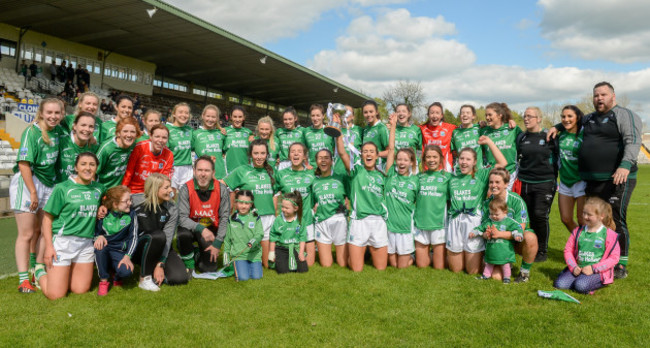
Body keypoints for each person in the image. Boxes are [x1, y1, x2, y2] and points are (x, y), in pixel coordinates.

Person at [548, 82, 641, 279]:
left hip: (617, 177)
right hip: (591, 180)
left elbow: (632, 140)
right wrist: (556, 126)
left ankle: (620, 265)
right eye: (596, 95)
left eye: (603, 95)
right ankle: (599, 259)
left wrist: (625, 165)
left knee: (615, 219)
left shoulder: (624, 114)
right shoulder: (589, 118)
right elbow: (571, 122)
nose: (599, 98)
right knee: (594, 221)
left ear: (613, 96)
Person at [10, 98, 65, 293]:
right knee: (26, 233)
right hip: (28, 182)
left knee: (43, 230)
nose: (53, 116)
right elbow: (24, 164)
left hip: (49, 183)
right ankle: (23, 279)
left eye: (57, 113)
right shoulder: (31, 132)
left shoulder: (59, 131)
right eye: (49, 112)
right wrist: (33, 191)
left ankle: (36, 268)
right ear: (41, 113)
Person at [36, 152, 104, 300]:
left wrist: (102, 208)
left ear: (96, 168)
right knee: (56, 295)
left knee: (80, 290)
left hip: (85, 244)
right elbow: (47, 219)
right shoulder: (63, 188)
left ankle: (63, 275)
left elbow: (105, 205)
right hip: (63, 242)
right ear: (76, 167)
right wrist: (48, 247)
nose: (88, 168)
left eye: (92, 165)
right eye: (83, 164)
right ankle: (39, 272)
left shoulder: (99, 189)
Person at [336, 112, 392, 272]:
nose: (368, 154)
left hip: (378, 222)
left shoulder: (383, 174)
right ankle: (355, 252)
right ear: (361, 154)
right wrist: (338, 130)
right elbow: (342, 153)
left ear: (376, 155)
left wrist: (392, 128)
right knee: (355, 268)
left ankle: (365, 250)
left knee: (381, 268)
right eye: (365, 151)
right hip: (358, 221)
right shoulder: (355, 171)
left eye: (371, 151)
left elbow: (391, 150)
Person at [447, 138, 506, 274]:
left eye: (468, 159)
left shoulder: (481, 175)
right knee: (455, 270)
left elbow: (502, 163)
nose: (463, 162)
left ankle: (488, 260)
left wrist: (489, 142)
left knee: (472, 271)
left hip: (473, 221)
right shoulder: (452, 178)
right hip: (455, 220)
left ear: (474, 162)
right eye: (461, 159)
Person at [223, 139, 276, 268]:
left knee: (268, 264)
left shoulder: (272, 171)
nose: (259, 157)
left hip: (269, 218)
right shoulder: (242, 170)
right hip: (251, 219)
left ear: (267, 154)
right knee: (246, 260)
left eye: (262, 153)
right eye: (256, 153)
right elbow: (223, 184)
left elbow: (277, 193)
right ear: (250, 154)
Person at [516, 107, 558, 262]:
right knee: (526, 217)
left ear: (539, 118)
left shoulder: (549, 136)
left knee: (540, 215)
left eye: (530, 116)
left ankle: (542, 251)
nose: (526, 119)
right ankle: (528, 247)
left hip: (544, 182)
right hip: (525, 182)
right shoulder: (521, 137)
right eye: (525, 116)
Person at [132, 173, 188, 291]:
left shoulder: (172, 208)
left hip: (161, 246)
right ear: (154, 189)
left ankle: (153, 268)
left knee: (179, 278)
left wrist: (160, 264)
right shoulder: (134, 200)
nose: (170, 190)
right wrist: (104, 208)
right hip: (137, 248)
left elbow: (168, 238)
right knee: (157, 235)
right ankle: (144, 279)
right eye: (166, 188)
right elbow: (114, 204)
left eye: (170, 186)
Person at [554, 197, 620, 294]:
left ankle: (599, 282)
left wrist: (593, 268)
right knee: (559, 284)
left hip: (597, 272)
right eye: (584, 213)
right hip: (578, 268)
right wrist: (573, 267)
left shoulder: (609, 235)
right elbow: (568, 250)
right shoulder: (578, 231)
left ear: (601, 216)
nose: (585, 217)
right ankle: (578, 280)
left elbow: (614, 258)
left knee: (581, 286)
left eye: (589, 214)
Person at [483, 167, 538, 283]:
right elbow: (484, 227)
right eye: (491, 182)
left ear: (506, 184)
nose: (494, 185)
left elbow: (521, 229)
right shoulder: (487, 203)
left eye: (498, 182)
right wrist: (487, 234)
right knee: (496, 277)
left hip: (516, 239)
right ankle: (507, 263)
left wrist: (499, 234)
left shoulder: (517, 200)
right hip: (496, 244)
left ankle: (524, 273)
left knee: (530, 237)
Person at [176, 156, 230, 274]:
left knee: (209, 268)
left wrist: (218, 242)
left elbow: (225, 218)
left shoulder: (222, 189)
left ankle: (196, 253)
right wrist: (201, 228)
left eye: (207, 170)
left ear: (213, 173)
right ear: (194, 171)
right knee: (183, 233)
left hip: (211, 231)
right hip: (191, 229)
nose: (203, 174)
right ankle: (188, 263)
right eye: (200, 170)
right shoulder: (186, 188)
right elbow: (182, 218)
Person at [384, 113, 418, 268]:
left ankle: (414, 256)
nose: (401, 162)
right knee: (392, 264)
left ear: (411, 162)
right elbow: (391, 149)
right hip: (389, 227)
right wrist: (393, 127)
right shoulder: (390, 173)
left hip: (405, 227)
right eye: (399, 159)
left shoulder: (415, 180)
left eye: (405, 160)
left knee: (401, 267)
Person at [273, 142, 316, 265]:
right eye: (293, 151)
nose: (296, 154)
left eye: (299, 151)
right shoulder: (281, 174)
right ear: (289, 155)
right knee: (286, 262)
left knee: (309, 263)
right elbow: (274, 195)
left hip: (306, 220)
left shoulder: (311, 174)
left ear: (304, 156)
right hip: (287, 222)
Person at [94, 185, 138, 296]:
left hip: (119, 251)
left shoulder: (132, 214)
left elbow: (134, 237)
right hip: (105, 248)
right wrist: (98, 236)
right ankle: (103, 281)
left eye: (130, 200)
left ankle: (117, 275)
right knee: (100, 248)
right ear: (115, 204)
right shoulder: (103, 213)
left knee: (126, 271)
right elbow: (93, 232)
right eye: (126, 201)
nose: (130, 203)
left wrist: (128, 256)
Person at [414, 145, 451, 269]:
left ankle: (446, 255)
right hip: (420, 223)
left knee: (439, 267)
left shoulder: (448, 177)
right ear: (424, 160)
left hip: (438, 225)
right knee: (421, 265)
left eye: (435, 157)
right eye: (428, 157)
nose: (431, 160)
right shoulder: (418, 177)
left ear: (440, 159)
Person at [472, 198, 523, 284]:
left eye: (496, 214)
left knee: (505, 264)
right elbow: (480, 228)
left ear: (505, 212)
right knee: (489, 263)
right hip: (492, 250)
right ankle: (485, 275)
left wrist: (517, 235)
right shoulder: (489, 221)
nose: (494, 216)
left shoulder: (508, 221)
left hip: (504, 251)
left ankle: (507, 278)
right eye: (491, 214)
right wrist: (475, 232)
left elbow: (518, 227)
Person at [312, 149, 348, 267]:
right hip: (322, 222)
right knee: (326, 265)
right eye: (320, 158)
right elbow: (312, 203)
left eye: (326, 158)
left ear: (332, 161)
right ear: (316, 161)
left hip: (339, 220)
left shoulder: (341, 178)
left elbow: (350, 196)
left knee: (342, 263)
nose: (323, 160)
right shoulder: (314, 182)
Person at [121, 124, 173, 205]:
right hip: (135, 191)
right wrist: (123, 190)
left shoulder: (169, 154)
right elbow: (129, 172)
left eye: (164, 138)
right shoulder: (139, 148)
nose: (160, 140)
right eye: (157, 136)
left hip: (154, 192)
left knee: (172, 208)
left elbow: (165, 180)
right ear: (151, 136)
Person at [223, 190, 264, 282]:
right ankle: (237, 266)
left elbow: (260, 234)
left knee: (257, 277)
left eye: (247, 203)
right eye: (241, 202)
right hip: (239, 255)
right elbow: (227, 240)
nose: (243, 206)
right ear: (236, 202)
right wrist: (226, 257)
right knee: (243, 278)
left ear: (251, 204)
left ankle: (247, 267)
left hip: (254, 254)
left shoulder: (256, 218)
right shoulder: (231, 220)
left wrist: (253, 241)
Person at [556, 105, 586, 232]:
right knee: (566, 219)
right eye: (563, 116)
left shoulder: (585, 133)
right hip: (565, 181)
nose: (566, 119)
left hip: (582, 182)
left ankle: (587, 247)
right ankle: (580, 242)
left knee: (582, 219)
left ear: (577, 117)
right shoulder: (560, 135)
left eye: (570, 116)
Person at [480, 102, 522, 189]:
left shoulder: (513, 129)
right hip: (491, 175)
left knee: (508, 202)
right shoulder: (483, 131)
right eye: (486, 115)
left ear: (500, 115)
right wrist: (479, 123)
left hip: (510, 174)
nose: (487, 118)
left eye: (490, 115)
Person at [269, 191, 308, 274]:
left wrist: (301, 253)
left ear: (295, 208)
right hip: (281, 248)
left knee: (303, 270)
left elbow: (302, 237)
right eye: (282, 207)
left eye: (286, 208)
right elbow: (273, 236)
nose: (283, 209)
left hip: (295, 248)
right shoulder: (278, 220)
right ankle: (280, 262)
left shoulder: (301, 220)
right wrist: (272, 252)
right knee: (283, 272)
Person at [96, 117, 141, 189]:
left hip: (119, 190)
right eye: (125, 131)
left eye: (132, 132)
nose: (129, 135)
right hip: (103, 189)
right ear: (118, 133)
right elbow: (94, 171)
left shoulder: (133, 145)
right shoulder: (107, 148)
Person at [56, 112, 99, 183]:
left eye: (91, 126)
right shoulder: (62, 142)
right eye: (83, 125)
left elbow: (93, 174)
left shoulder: (94, 147)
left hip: (80, 191)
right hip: (58, 189)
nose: (87, 129)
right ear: (74, 126)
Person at [192, 105, 226, 179]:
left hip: (220, 175)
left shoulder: (221, 133)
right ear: (203, 116)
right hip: (202, 175)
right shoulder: (195, 134)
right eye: (208, 116)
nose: (210, 119)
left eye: (213, 117)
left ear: (217, 118)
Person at [420, 102, 457, 171]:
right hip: (428, 170)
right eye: (432, 113)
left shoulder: (450, 128)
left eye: (437, 113)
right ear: (428, 115)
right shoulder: (422, 129)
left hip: (445, 170)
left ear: (441, 115)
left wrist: (480, 124)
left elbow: (465, 128)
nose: (434, 115)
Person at [166, 103, 194, 191]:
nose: (184, 115)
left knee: (186, 197)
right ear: (174, 114)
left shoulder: (190, 130)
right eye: (180, 112)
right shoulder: (167, 129)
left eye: (186, 113)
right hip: (172, 168)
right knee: (171, 196)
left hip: (187, 168)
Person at [451, 105, 483, 173]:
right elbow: (454, 153)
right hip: (461, 172)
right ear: (460, 116)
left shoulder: (479, 128)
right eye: (462, 113)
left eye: (468, 113)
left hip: (478, 171)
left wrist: (509, 120)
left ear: (473, 116)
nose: (465, 115)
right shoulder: (455, 132)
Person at [361, 100, 389, 170]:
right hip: (366, 166)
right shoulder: (365, 129)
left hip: (378, 168)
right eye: (365, 112)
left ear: (376, 112)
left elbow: (390, 152)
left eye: (371, 112)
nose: (368, 115)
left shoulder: (381, 128)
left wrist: (374, 154)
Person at [223, 106, 252, 174]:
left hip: (245, 171)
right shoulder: (225, 131)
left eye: (240, 117)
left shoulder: (249, 133)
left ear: (244, 117)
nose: (237, 119)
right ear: (231, 117)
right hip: (229, 172)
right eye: (235, 116)